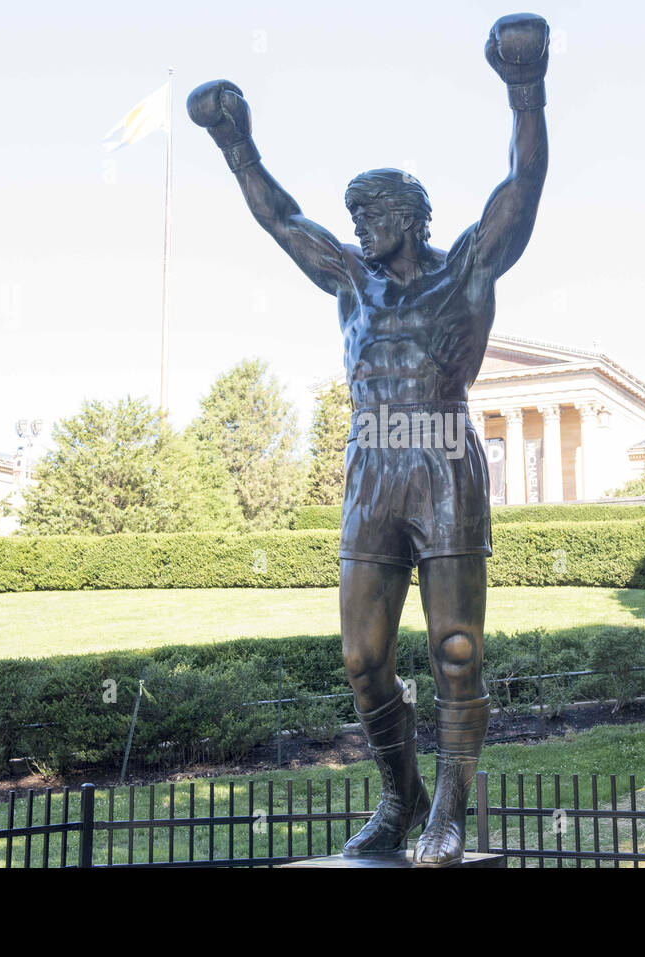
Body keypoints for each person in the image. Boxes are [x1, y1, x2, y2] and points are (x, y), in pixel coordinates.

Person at [188, 12, 549, 865]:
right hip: (370, 467)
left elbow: (522, 186)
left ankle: (448, 814)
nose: (356, 225)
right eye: (352, 212)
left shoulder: (465, 268)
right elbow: (282, 220)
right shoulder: (350, 284)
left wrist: (524, 88)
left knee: (457, 651)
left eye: (371, 212)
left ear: (408, 216)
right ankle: (402, 797)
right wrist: (237, 145)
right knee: (361, 657)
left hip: (443, 459)